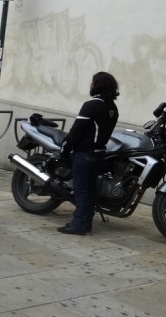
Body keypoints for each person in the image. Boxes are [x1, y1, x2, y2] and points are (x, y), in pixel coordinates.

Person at [58, 71, 120, 235]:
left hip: (84, 153)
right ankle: (87, 224)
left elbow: (76, 130)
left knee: (81, 190)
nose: (90, 85)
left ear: (98, 86)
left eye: (93, 83)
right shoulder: (112, 108)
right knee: (90, 190)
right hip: (99, 153)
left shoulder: (91, 105)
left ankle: (78, 224)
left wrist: (65, 147)